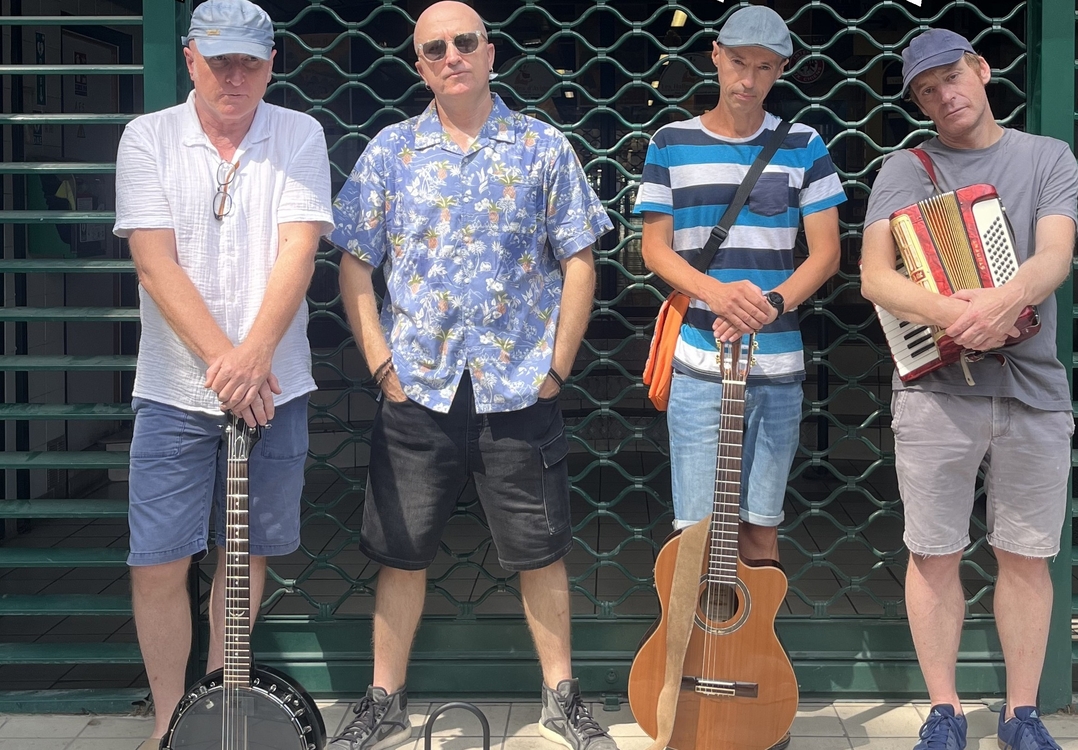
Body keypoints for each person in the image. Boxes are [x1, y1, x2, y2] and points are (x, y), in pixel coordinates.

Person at [328, 3, 615, 749]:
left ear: (489, 52)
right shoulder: (391, 153)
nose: (451, 55)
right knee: (400, 552)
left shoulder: (543, 148)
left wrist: (558, 366)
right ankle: (382, 699)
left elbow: (579, 256)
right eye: (434, 48)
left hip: (518, 388)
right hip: (418, 386)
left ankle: (562, 698)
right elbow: (354, 262)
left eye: (464, 41)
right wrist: (381, 363)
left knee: (541, 551)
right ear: (420, 65)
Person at [112, 1, 332, 748]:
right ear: (190, 58)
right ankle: (173, 721)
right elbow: (153, 260)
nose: (235, 75)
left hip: (275, 384)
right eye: (221, 59)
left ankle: (223, 704)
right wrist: (228, 365)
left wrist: (254, 358)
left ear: (271, 64)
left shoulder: (298, 133)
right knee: (158, 561)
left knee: (244, 557)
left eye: (251, 61)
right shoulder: (148, 137)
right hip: (176, 389)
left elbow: (298, 251)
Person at [859, 29, 1078, 750]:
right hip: (935, 394)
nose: (944, 95)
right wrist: (957, 315)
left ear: (982, 71)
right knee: (934, 554)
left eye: (952, 76)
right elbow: (876, 277)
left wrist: (1001, 304)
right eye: (926, 89)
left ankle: (1021, 715)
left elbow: (1054, 256)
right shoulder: (904, 168)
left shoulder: (1047, 158)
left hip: (1033, 389)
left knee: (1025, 556)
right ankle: (945, 710)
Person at [634, 6, 844, 561]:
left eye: (765, 67)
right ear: (716, 58)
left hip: (777, 363)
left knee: (760, 529)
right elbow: (653, 249)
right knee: (696, 534)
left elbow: (826, 254)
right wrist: (717, 293)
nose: (748, 80)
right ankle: (693, 649)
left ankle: (749, 650)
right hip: (700, 360)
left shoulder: (804, 144)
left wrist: (772, 303)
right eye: (738, 62)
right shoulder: (670, 142)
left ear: (782, 70)